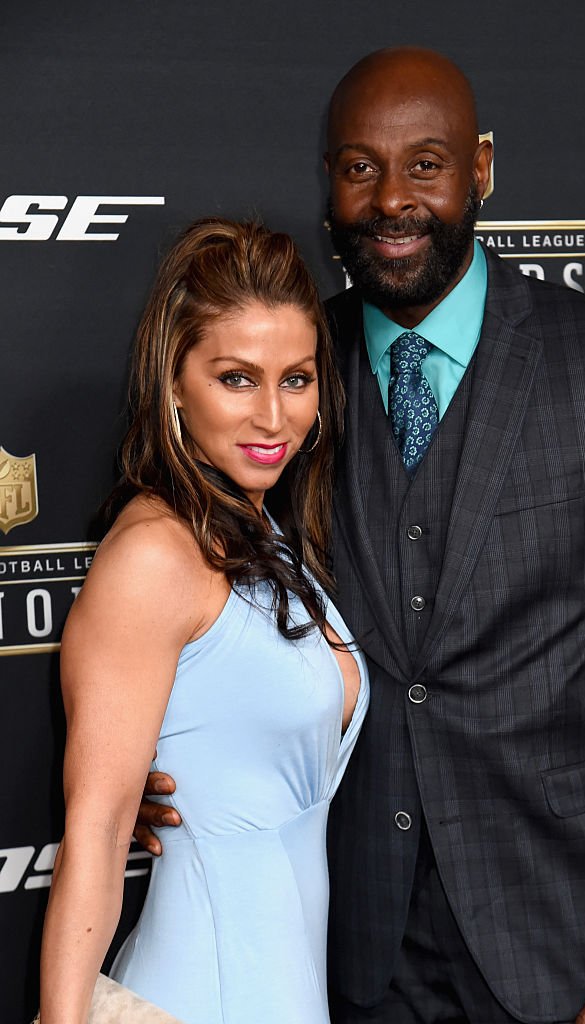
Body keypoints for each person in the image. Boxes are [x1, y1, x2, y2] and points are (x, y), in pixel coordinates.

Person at [135, 49, 585, 1024]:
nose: (389, 199)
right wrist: (163, 763)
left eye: (425, 164)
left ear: (481, 169)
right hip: (349, 947)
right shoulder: (286, 371)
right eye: (359, 167)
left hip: (571, 945)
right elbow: (196, 584)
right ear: (326, 180)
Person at [39, 218, 368, 1024]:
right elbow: (100, 826)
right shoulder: (154, 556)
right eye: (235, 378)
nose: (272, 417)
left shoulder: (262, 531)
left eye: (296, 379)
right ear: (174, 382)